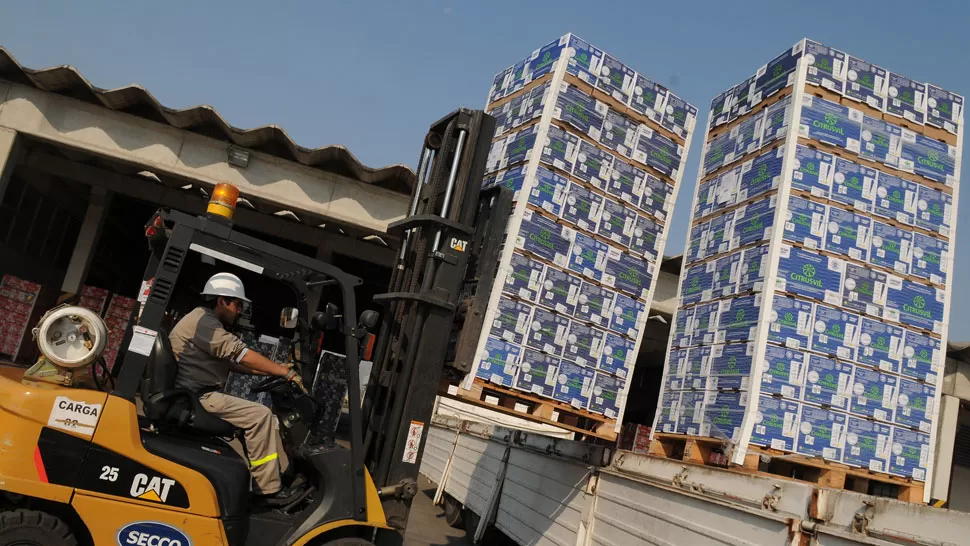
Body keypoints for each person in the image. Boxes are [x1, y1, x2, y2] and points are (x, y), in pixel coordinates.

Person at [169, 272, 306, 504]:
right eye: (238, 305)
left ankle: (262, 479)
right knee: (260, 415)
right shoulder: (204, 322)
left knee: (254, 415)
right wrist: (284, 372)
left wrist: (273, 369)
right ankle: (268, 490)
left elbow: (234, 364)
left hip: (197, 393)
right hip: (198, 396)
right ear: (223, 301)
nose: (240, 311)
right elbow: (239, 353)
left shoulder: (203, 319)